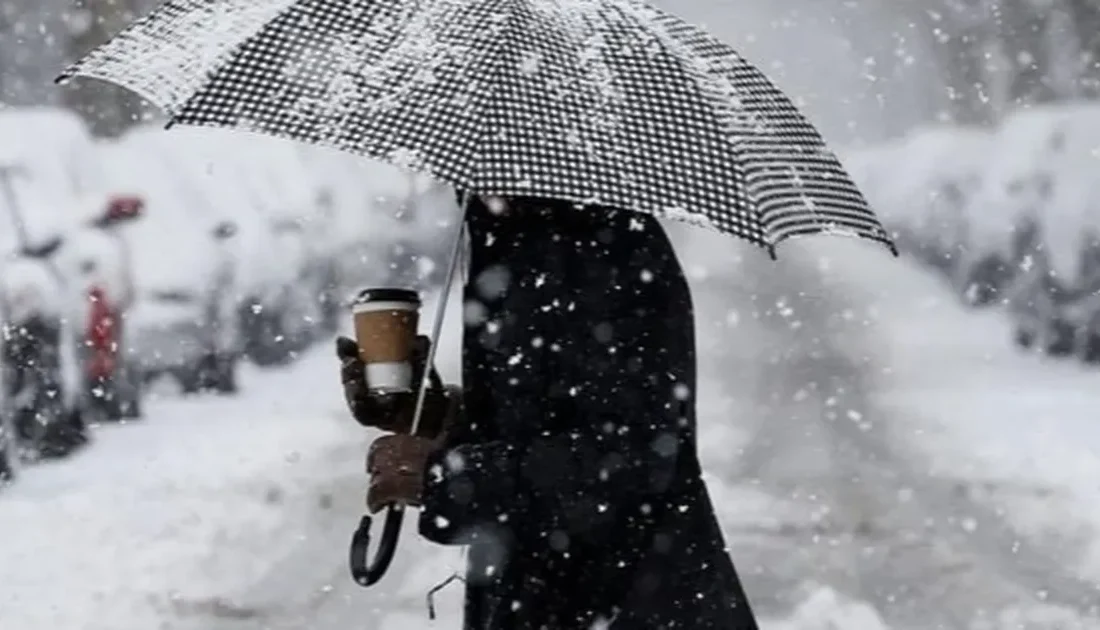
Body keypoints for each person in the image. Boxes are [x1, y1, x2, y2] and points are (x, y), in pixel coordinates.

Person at [337, 194, 760, 629]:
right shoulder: (509, 239)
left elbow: (635, 457)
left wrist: (451, 476)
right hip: (542, 595)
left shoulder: (608, 252)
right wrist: (430, 415)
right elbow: (536, 415)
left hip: (624, 598)